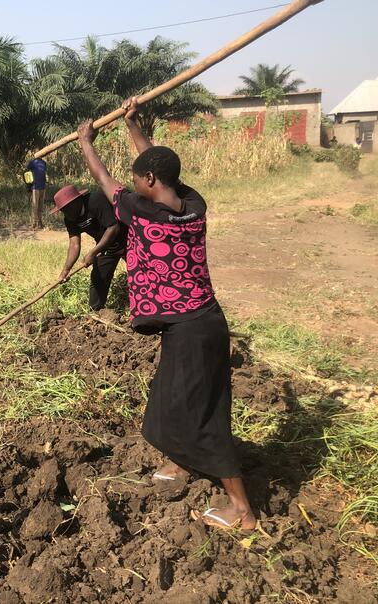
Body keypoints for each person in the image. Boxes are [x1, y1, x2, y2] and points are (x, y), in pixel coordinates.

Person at [75, 97, 256, 531]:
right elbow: (154, 166)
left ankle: (243, 510)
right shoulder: (194, 204)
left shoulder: (140, 212)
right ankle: (180, 463)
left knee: (203, 414)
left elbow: (104, 180)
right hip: (201, 322)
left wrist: (85, 142)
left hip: (192, 329)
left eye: (138, 177)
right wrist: (133, 123)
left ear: (149, 181)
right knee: (167, 402)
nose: (133, 182)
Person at [51, 184, 128, 310]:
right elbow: (74, 244)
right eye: (62, 210)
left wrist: (93, 252)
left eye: (67, 208)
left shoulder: (95, 201)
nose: (65, 213)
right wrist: (66, 270)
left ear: (77, 201)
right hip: (106, 247)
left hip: (128, 240)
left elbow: (113, 227)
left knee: (141, 274)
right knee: (98, 278)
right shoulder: (70, 218)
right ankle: (96, 312)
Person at [25, 157, 48, 229]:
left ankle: (40, 222)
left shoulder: (44, 163)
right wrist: (29, 186)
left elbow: (44, 173)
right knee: (35, 205)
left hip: (43, 186)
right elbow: (26, 172)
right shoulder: (32, 162)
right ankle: (34, 223)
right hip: (35, 187)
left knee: (41, 205)